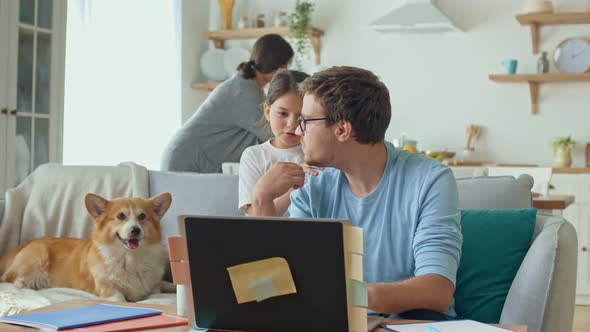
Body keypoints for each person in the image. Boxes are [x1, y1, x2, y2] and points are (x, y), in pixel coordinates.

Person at [249, 66, 462, 318]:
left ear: (342, 130)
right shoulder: (312, 184)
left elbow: (436, 291)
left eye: (305, 121)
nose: (296, 131)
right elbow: (268, 288)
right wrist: (261, 199)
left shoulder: (430, 180)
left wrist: (349, 296)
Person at [161, 34, 294, 173]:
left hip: (192, 157)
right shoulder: (244, 91)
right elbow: (273, 133)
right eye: (285, 65)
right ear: (274, 63)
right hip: (186, 159)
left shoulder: (247, 86)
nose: (285, 72)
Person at [238, 70, 320, 216]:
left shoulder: (318, 153)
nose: (292, 124)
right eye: (283, 113)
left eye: (301, 117)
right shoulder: (254, 156)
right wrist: (294, 187)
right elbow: (256, 217)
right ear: (267, 111)